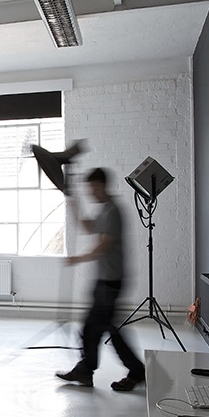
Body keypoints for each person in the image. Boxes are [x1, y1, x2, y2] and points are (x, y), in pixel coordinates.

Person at [56, 167, 145, 391]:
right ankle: (91, 371)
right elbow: (88, 228)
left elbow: (104, 246)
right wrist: (73, 203)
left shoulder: (113, 210)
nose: (91, 193)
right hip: (105, 281)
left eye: (93, 188)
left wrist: (78, 259)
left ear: (103, 185)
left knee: (98, 329)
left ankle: (130, 371)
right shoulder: (105, 210)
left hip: (110, 282)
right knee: (105, 329)